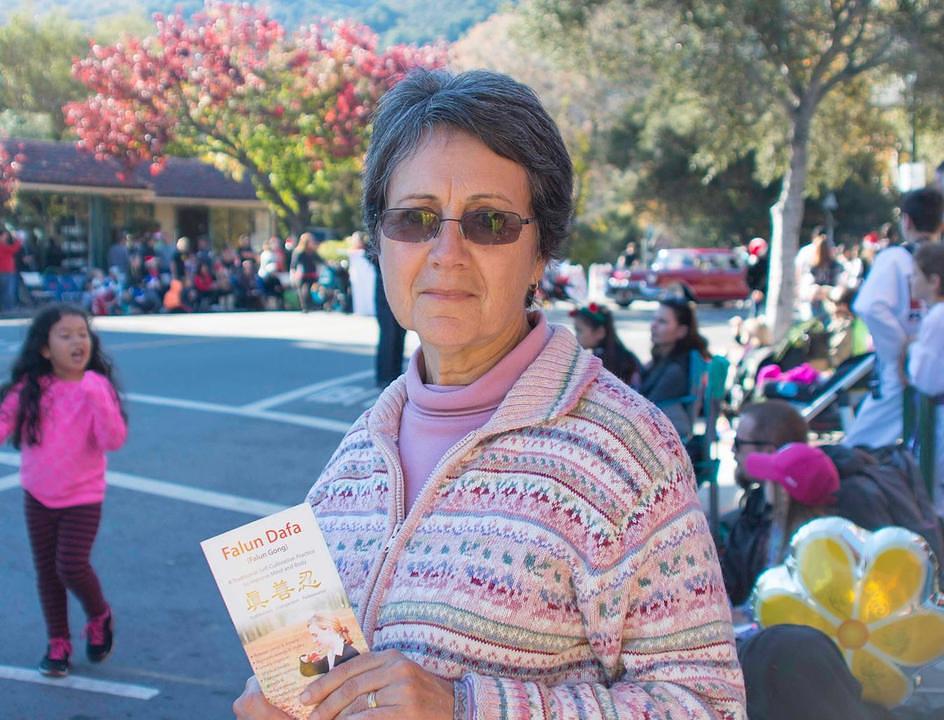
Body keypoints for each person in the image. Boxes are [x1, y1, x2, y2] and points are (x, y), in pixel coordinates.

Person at [233, 68, 744, 719]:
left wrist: (467, 708)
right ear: (379, 244)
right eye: (414, 219)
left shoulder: (626, 452)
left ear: (541, 254)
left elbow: (708, 706)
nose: (446, 251)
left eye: (490, 222)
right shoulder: (356, 456)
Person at [0, 304, 127, 677]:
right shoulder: (30, 389)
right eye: (66, 335)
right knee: (47, 572)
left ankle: (98, 614)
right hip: (38, 496)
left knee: (70, 564)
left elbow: (113, 439)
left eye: (82, 333)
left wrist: (96, 396)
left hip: (83, 497)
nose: (77, 341)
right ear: (44, 348)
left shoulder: (95, 386)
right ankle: (58, 642)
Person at [844, 188, 943, 449]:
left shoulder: (895, 259)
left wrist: (900, 349)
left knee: (860, 446)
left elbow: (870, 306)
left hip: (902, 371)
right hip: (928, 364)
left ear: (906, 221)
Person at [905, 243, 944, 510]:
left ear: (934, 281)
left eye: (916, 274)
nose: (911, 280)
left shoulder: (937, 319)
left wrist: (912, 348)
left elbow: (926, 379)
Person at [639, 297, 710, 439]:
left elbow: (645, 409)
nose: (653, 325)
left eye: (662, 321)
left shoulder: (676, 370)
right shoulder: (662, 359)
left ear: (681, 331)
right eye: (654, 319)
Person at [570, 302, 641, 387]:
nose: (575, 336)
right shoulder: (617, 353)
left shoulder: (607, 363)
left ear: (600, 332)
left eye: (579, 330)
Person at [290, 233, 322, 313]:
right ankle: (305, 307)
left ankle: (312, 306)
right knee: (304, 290)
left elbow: (320, 260)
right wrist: (293, 274)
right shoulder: (299, 252)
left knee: (313, 290)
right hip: (303, 275)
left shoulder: (312, 252)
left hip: (312, 275)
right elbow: (293, 265)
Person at [0, 227, 22, 311]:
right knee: (8, 291)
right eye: (5, 235)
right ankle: (7, 309)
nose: (6, 237)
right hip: (5, 271)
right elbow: (14, 249)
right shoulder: (2, 246)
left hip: (5, 271)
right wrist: (18, 239)